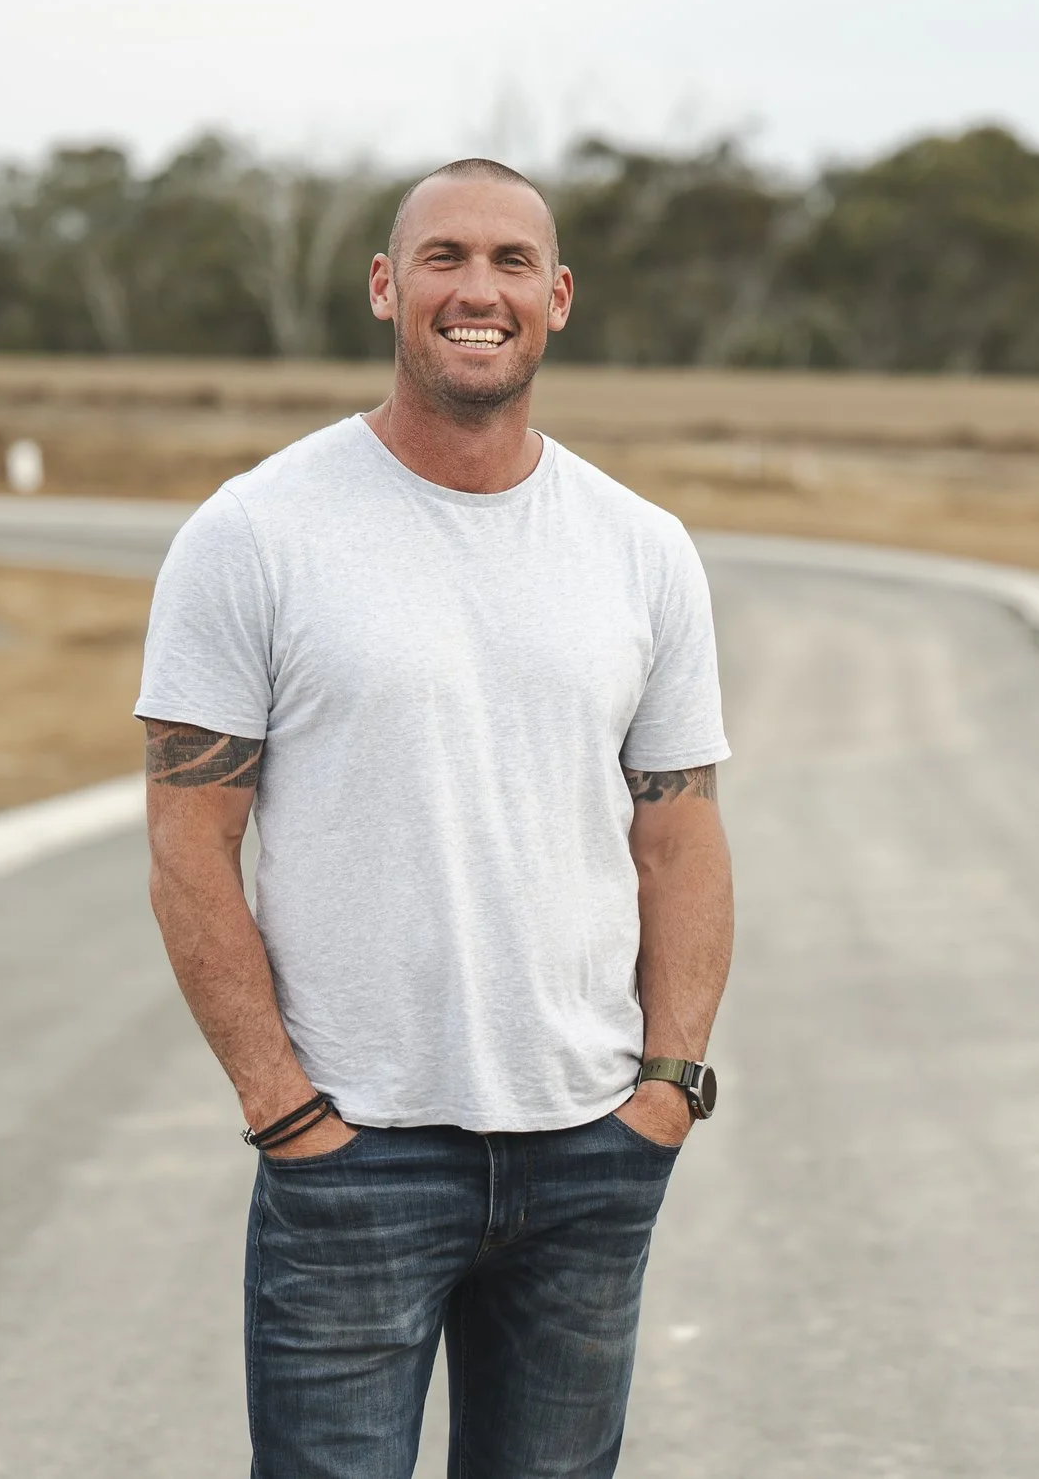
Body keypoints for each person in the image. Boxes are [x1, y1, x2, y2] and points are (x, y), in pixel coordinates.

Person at [134, 159, 734, 1478]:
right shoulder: (255, 534)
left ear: (558, 296)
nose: (479, 289)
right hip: (355, 1153)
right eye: (444, 257)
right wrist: (284, 1109)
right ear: (385, 286)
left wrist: (669, 1086)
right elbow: (188, 847)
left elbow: (680, 832)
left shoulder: (641, 547)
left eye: (513, 261)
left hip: (590, 1148)